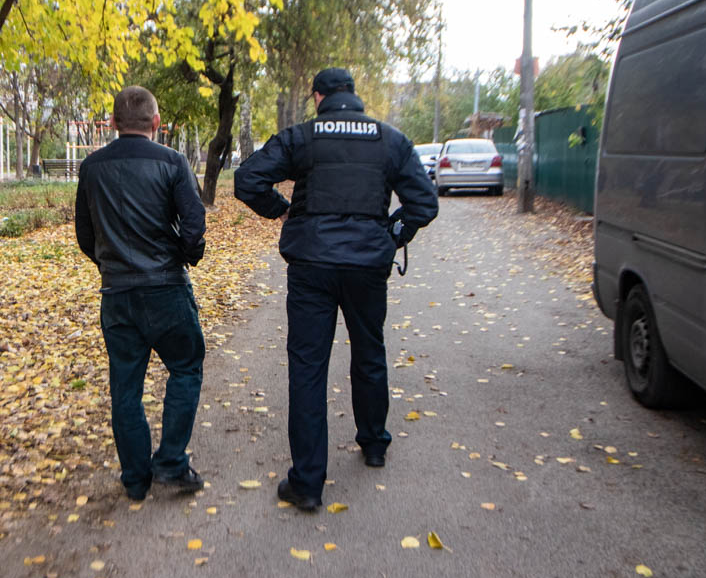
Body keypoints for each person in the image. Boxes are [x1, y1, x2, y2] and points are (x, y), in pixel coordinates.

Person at [234, 67, 438, 512]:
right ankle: (374, 444)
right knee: (369, 352)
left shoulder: (302, 137)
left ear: (318, 96)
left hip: (312, 266)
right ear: (354, 96)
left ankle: (307, 483)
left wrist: (283, 211)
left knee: (308, 367)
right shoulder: (389, 140)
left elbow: (246, 180)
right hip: (367, 266)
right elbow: (424, 202)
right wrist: (392, 234)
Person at [75, 85, 208, 501]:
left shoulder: (91, 167)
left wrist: (110, 263)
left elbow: (84, 233)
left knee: (126, 386)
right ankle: (171, 461)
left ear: (114, 123)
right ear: (156, 123)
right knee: (185, 367)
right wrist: (185, 256)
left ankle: (135, 479)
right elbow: (194, 224)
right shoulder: (172, 162)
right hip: (167, 288)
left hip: (117, 294)